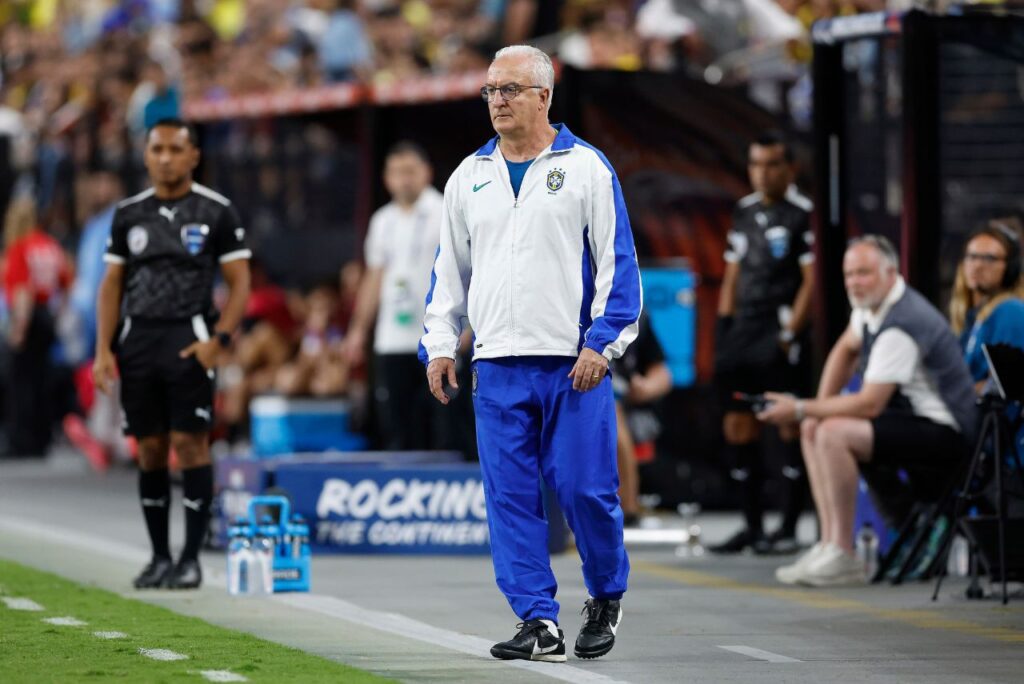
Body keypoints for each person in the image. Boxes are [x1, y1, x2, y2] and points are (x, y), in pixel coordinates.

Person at [420, 45, 642, 662]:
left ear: (544, 96)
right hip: (495, 365)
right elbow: (448, 274)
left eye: (510, 90)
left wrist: (603, 342)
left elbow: (620, 270)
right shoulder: (469, 176)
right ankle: (537, 621)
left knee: (582, 490)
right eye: (491, 91)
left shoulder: (586, 168)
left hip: (573, 365)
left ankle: (605, 593)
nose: (498, 101)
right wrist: (441, 346)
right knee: (510, 499)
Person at [758, 235, 977, 587]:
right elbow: (845, 349)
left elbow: (869, 402)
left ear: (891, 273)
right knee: (818, 426)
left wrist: (801, 408)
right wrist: (816, 410)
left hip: (947, 434)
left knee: (831, 432)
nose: (854, 283)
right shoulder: (873, 306)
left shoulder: (903, 322)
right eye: (849, 275)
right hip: (914, 420)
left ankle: (844, 553)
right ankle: (829, 542)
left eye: (864, 273)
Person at [93, 118, 251, 590]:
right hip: (138, 340)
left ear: (193, 156)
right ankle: (159, 556)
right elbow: (112, 284)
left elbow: (240, 282)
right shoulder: (128, 214)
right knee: (150, 448)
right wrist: (103, 349)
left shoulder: (216, 211)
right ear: (145, 156)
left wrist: (219, 342)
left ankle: (190, 558)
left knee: (190, 444)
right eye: (157, 149)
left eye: (174, 149)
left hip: (189, 338)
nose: (165, 157)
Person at [711, 131, 814, 554]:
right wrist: (723, 323)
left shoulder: (804, 214)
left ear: (789, 169)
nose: (762, 172)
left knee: (788, 424)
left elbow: (812, 280)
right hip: (742, 333)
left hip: (780, 331)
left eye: (771, 164)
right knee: (738, 424)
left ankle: (788, 527)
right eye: (756, 164)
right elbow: (733, 272)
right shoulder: (743, 211)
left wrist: (791, 334)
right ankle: (752, 526)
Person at [341, 141, 446, 450]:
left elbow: (466, 269)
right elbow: (374, 277)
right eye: (397, 172)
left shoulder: (443, 210)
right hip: (392, 336)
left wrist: (467, 326)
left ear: (427, 173)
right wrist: (358, 330)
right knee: (397, 423)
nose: (404, 179)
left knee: (440, 421)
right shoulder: (382, 220)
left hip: (437, 336)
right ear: (386, 178)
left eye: (411, 171)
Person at [2, 195, 72, 457]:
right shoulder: (50, 246)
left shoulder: (20, 247)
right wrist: (57, 316)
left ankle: (21, 440)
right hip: (46, 319)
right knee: (42, 379)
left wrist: (19, 328)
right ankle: (41, 439)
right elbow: (65, 285)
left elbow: (23, 290)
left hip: (28, 318)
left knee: (20, 382)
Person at [612, 313, 672, 526]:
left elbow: (662, 373)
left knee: (611, 414)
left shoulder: (635, 314)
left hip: (620, 397)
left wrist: (646, 388)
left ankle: (627, 508)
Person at [950, 220, 1024, 391]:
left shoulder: (1010, 310)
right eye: (972, 256)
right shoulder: (974, 315)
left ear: (1010, 268)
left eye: (989, 258)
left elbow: (1005, 389)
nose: (977, 265)